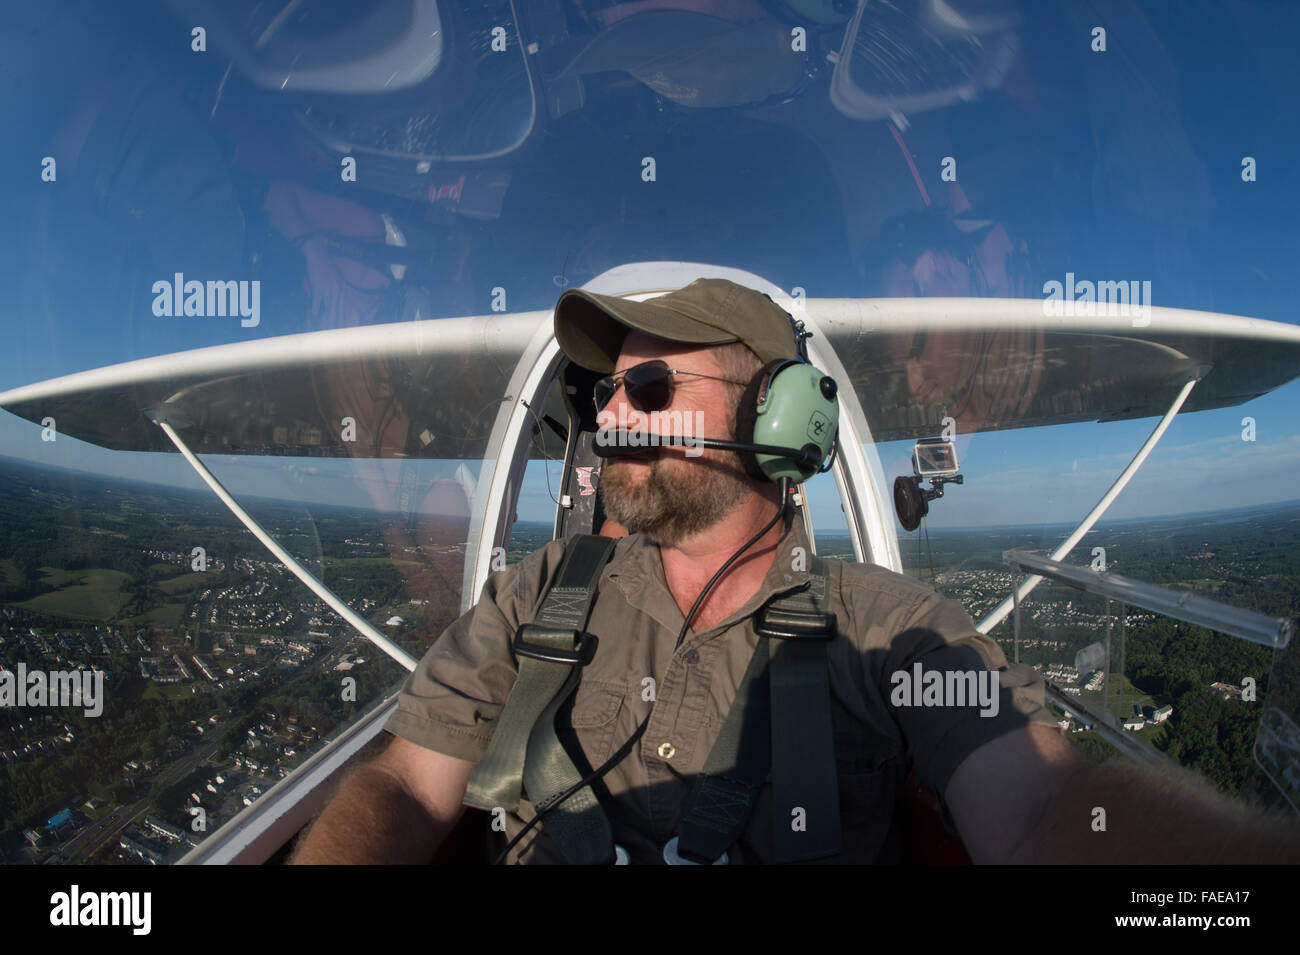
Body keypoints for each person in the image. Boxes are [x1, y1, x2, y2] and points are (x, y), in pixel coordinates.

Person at [291, 279, 1300, 865]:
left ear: (781, 421)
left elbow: (1043, 811)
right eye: (604, 389)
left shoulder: (893, 628)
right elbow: (404, 786)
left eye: (647, 386)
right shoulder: (533, 592)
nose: (611, 415)